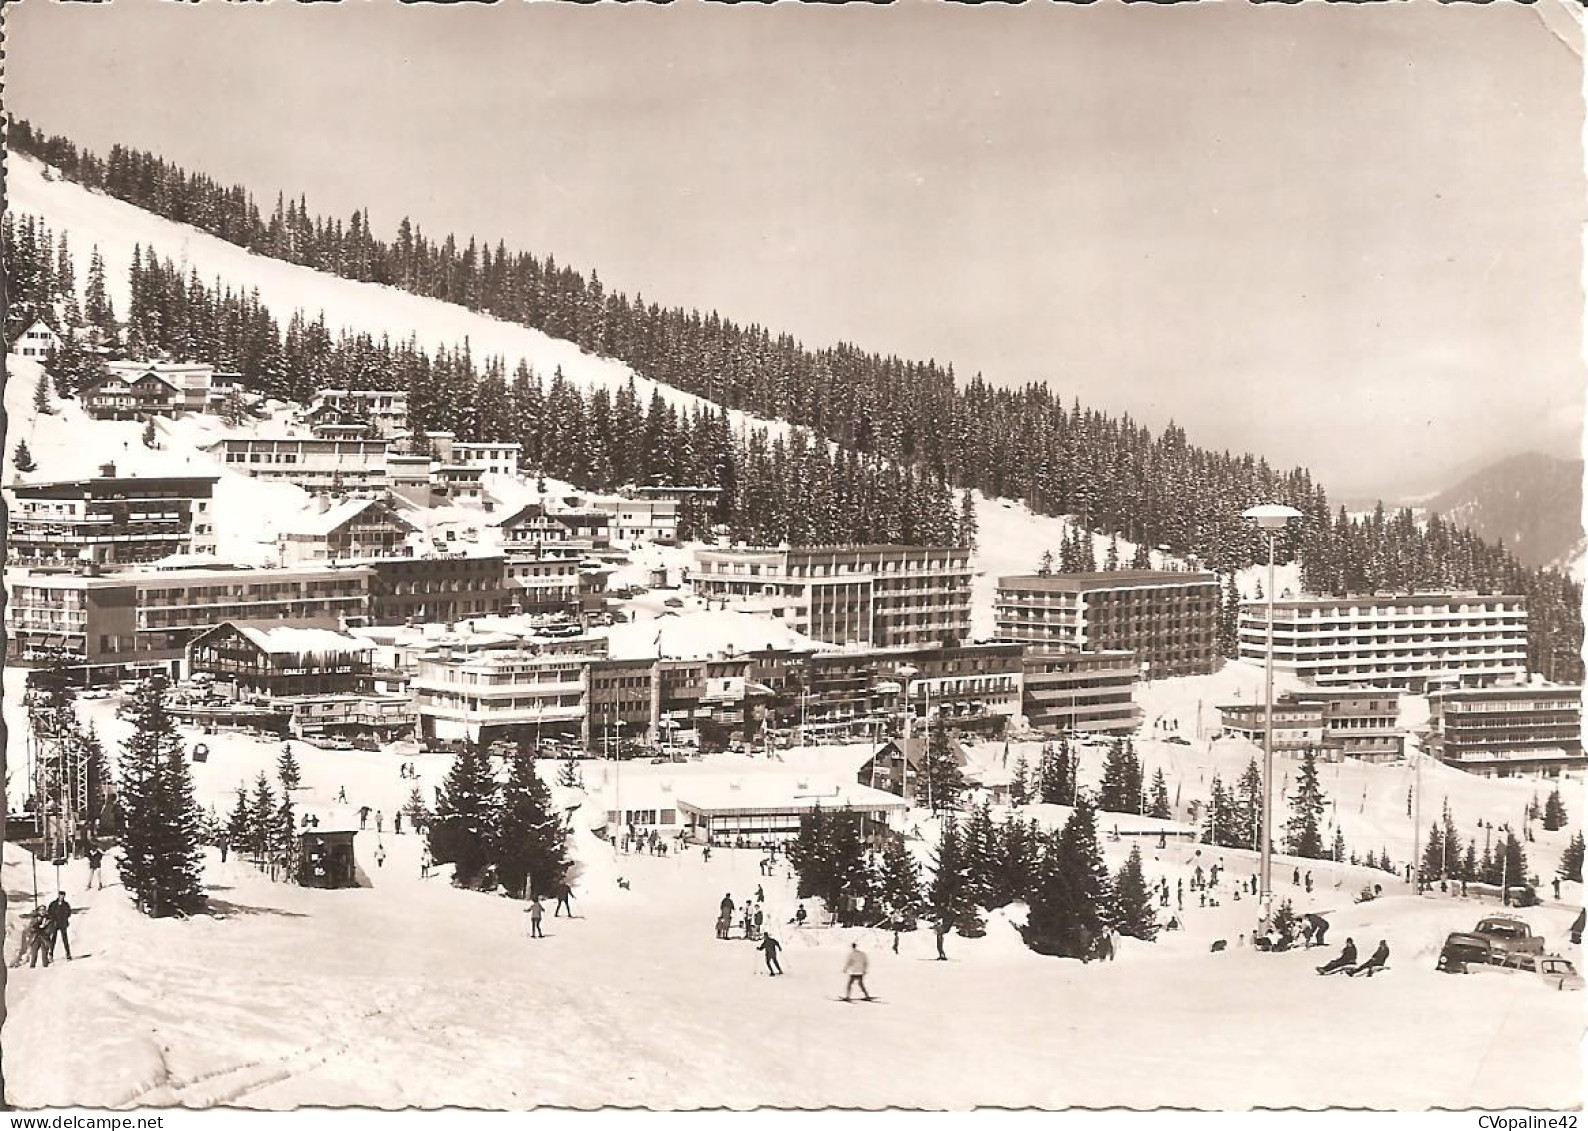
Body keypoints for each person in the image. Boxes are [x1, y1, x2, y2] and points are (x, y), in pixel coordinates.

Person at [47, 892, 73, 961]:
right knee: (53, 939)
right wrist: (53, 919)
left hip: (62, 924)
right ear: (58, 896)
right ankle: (50, 954)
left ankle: (68, 954)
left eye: (63, 896)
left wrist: (65, 918)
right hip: (55, 923)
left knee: (65, 939)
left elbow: (69, 912)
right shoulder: (53, 904)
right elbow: (49, 912)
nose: (61, 897)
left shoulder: (66, 904)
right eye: (60, 896)